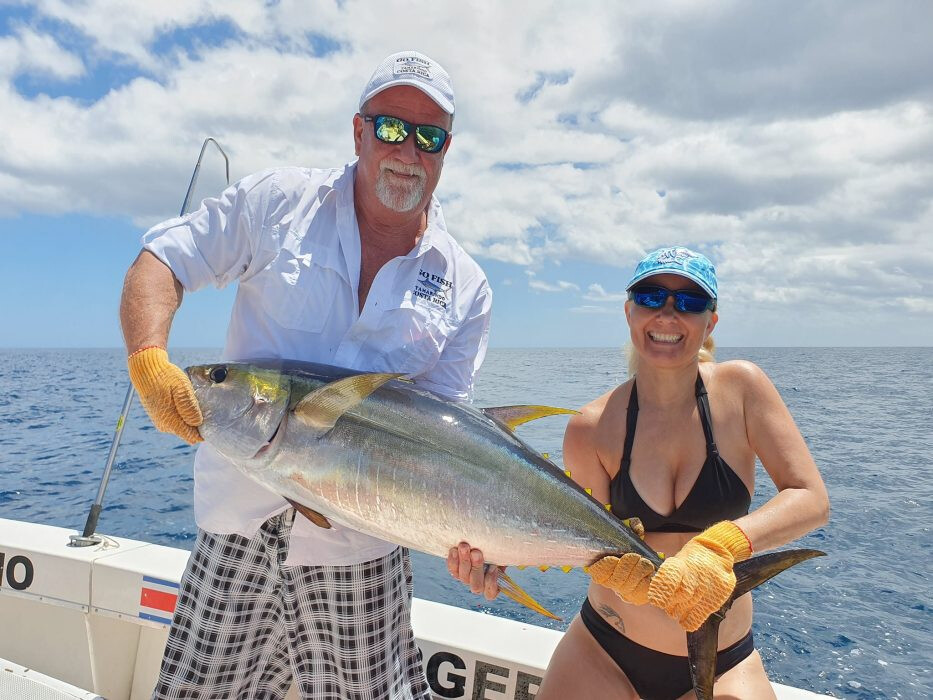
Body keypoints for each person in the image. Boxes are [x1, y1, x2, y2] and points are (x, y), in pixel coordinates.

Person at [121, 51, 492, 700]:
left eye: (428, 137)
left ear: (445, 151)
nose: (408, 149)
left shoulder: (465, 286)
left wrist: (477, 540)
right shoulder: (278, 204)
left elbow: (445, 442)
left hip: (361, 552)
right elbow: (163, 259)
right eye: (390, 128)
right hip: (236, 524)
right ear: (358, 131)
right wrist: (150, 360)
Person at [448, 246, 829, 700]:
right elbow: (576, 536)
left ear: (711, 322)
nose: (668, 315)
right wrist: (493, 556)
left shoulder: (742, 389)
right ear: (629, 312)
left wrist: (722, 546)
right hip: (604, 653)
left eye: (689, 303)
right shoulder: (590, 428)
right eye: (651, 298)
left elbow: (810, 498)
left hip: (725, 662)